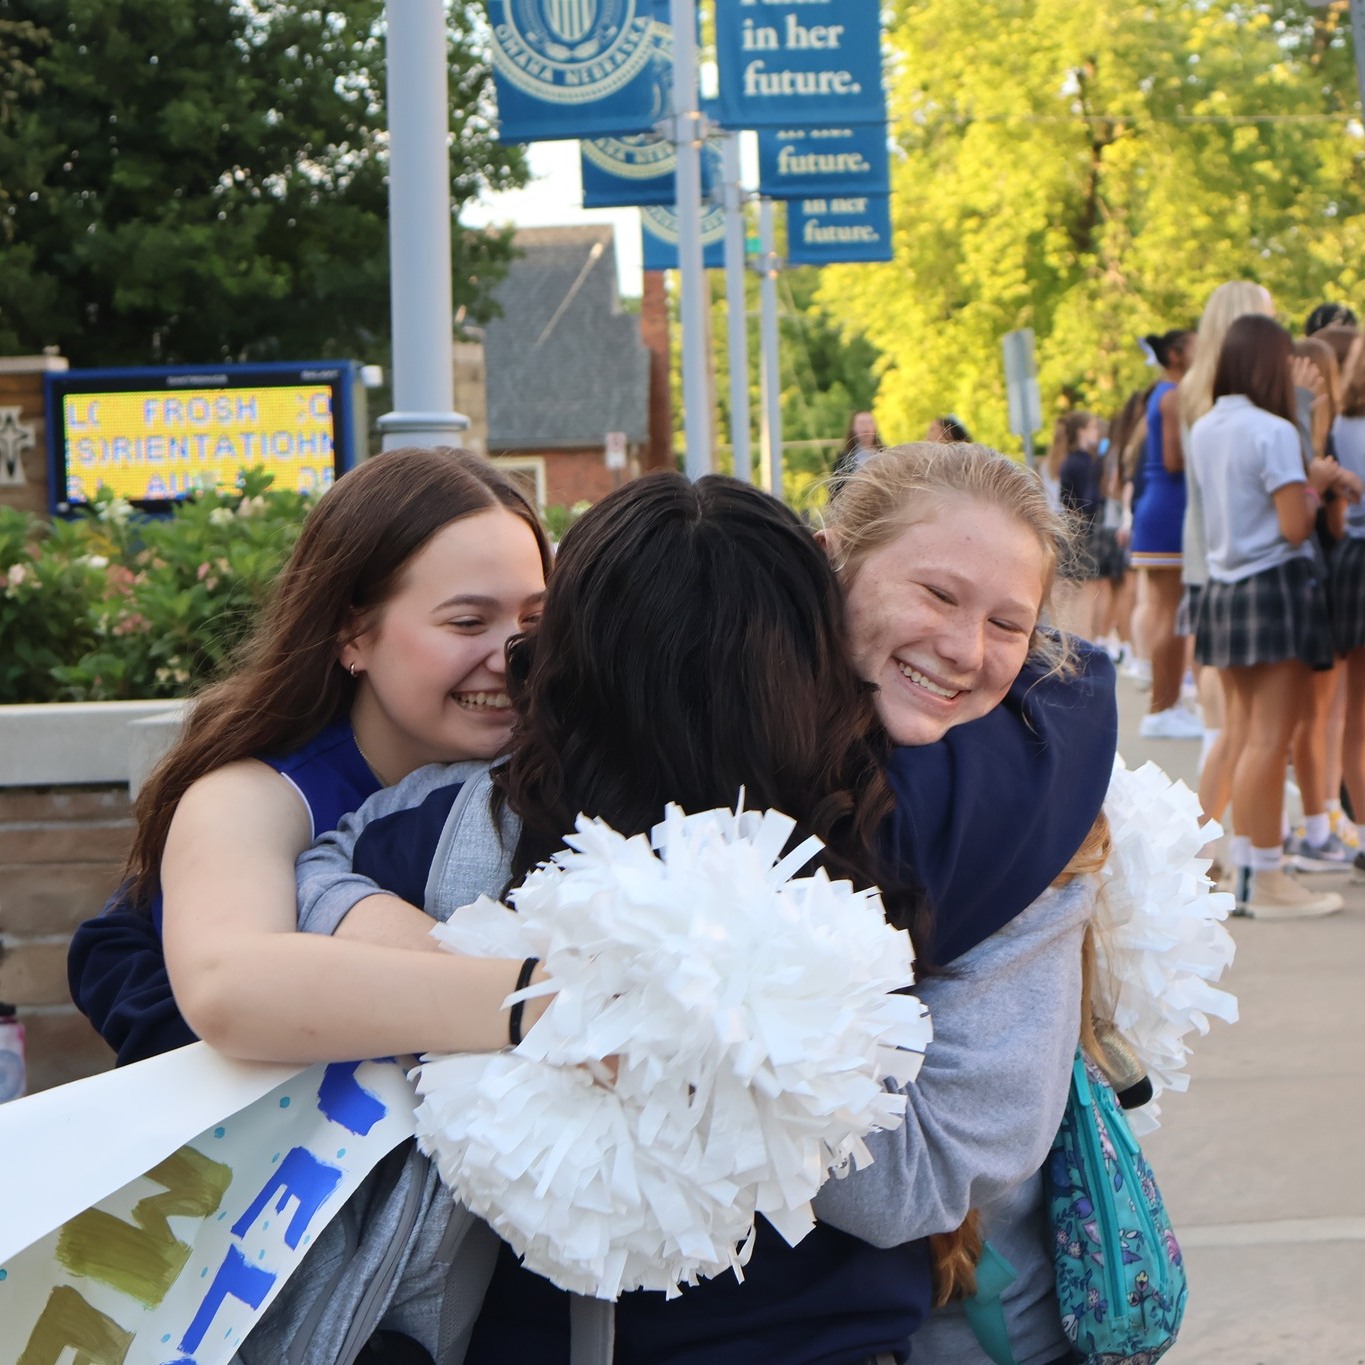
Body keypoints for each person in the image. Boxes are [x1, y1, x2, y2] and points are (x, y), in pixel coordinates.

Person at [282, 457, 1116, 1364]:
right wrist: (603, 1013)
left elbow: (312, 875)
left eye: (1004, 623)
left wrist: (603, 1021)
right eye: (937, 595)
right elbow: (919, 1178)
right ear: (812, 627)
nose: (964, 645)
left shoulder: (448, 832)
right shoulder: (902, 835)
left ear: (564, 645)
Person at [67, 445, 553, 1066]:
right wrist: (545, 1003)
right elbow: (228, 985)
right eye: (466, 623)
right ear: (352, 633)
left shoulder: (565, 769)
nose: (511, 656)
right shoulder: (252, 796)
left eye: (533, 621)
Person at [1188, 314, 1356, 918]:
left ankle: (1223, 864)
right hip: (1274, 587)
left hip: (1225, 589)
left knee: (1240, 735)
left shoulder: (1206, 426)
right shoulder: (1274, 431)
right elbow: (1294, 527)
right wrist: (1316, 483)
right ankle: (1267, 879)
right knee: (1267, 739)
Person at [1177, 281, 1277, 833]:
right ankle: (1221, 839)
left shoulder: (1194, 392)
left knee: (1224, 720)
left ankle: (1207, 841)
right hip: (1244, 560)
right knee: (1244, 724)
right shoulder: (1248, 402)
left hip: (1204, 558)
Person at [1132, 328, 1201, 739]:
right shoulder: (1173, 396)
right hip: (1171, 508)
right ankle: (1162, 707)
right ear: (1176, 355)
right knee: (1170, 613)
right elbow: (1174, 459)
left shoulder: (1162, 393)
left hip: (1159, 506)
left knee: (1167, 610)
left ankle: (1167, 704)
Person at [829, 409, 886, 495]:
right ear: (853, 428)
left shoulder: (886, 455)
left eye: (870, 422)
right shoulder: (844, 459)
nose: (866, 426)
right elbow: (836, 490)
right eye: (861, 423)